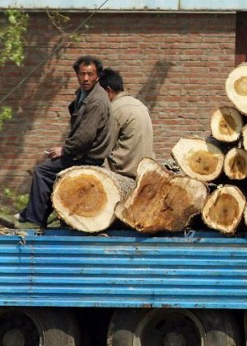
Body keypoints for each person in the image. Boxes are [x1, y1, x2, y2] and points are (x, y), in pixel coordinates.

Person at [2, 56, 112, 230]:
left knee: (42, 171)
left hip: (87, 157)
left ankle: (34, 220)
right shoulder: (84, 94)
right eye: (82, 74)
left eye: (90, 74)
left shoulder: (96, 100)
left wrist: (64, 150)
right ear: (76, 74)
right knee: (49, 171)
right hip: (81, 153)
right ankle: (30, 214)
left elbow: (85, 137)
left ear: (97, 76)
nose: (85, 78)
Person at [99, 68, 154, 178]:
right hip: (146, 170)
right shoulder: (140, 105)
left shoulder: (114, 110)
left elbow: (103, 147)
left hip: (122, 173)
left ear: (108, 91)